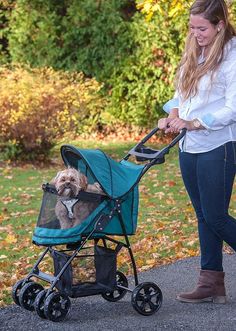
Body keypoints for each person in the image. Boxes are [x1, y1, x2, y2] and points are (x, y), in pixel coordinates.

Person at [158, 0, 236, 304]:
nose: (195, 33)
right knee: (204, 215)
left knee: (216, 216)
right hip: (189, 145)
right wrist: (173, 115)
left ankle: (211, 281)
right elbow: (181, 92)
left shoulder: (232, 55)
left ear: (219, 25)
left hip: (220, 145)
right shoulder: (194, 50)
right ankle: (211, 282)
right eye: (191, 27)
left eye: (201, 28)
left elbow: (233, 107)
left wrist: (194, 122)